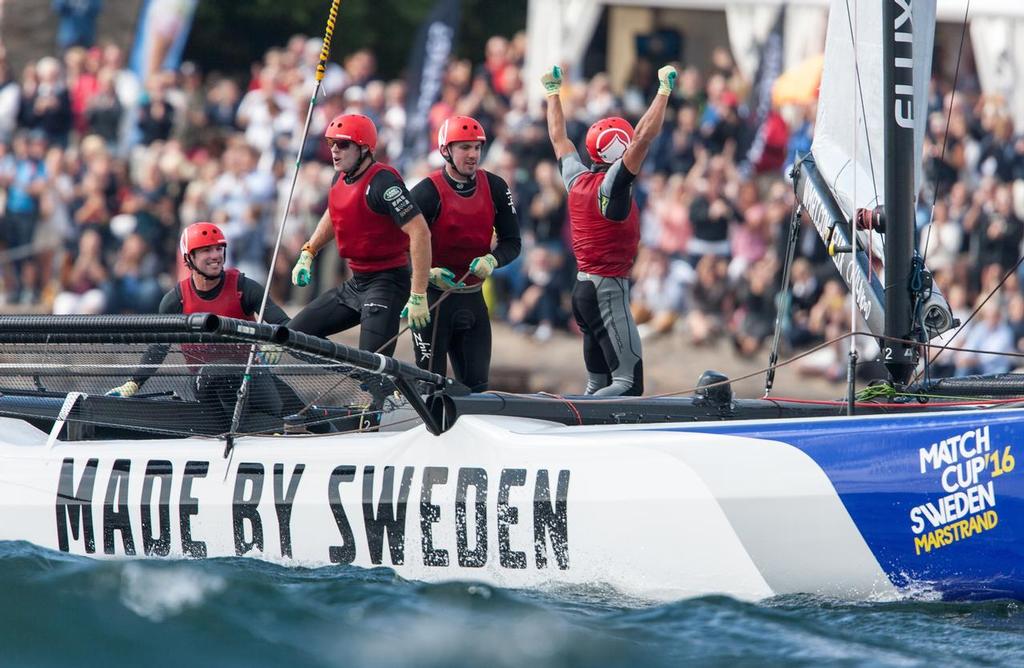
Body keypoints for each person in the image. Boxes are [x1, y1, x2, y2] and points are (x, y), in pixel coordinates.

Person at [541, 64, 676, 396]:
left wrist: (552, 93)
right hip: (607, 292)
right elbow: (644, 135)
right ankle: (572, 418)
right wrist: (664, 92)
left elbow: (559, 138)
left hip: (582, 290)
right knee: (629, 385)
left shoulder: (576, 178)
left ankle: (579, 426)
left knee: (598, 384)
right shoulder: (612, 186)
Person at [106, 222, 300, 432]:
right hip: (208, 383)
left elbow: (284, 323)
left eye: (219, 248)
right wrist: (134, 383)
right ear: (189, 258)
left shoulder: (244, 287)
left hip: (250, 376)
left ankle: (276, 429)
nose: (216, 255)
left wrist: (276, 340)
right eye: (207, 250)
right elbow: (159, 348)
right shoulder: (174, 301)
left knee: (299, 413)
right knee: (222, 370)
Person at [288, 113, 431, 356]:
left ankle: (381, 388)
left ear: (364, 148)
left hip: (387, 283)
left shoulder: (383, 182)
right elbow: (335, 213)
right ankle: (355, 374)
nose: (335, 150)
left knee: (371, 366)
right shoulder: (340, 176)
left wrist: (418, 294)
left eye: (343, 144)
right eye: (331, 143)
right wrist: (309, 251)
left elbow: (420, 233)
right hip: (357, 283)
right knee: (293, 336)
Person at [408, 115, 521, 391]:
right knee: (430, 390)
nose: (473, 155)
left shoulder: (495, 186)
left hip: (473, 303)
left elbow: (512, 242)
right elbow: (393, 244)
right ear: (446, 150)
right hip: (433, 305)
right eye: (464, 148)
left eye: (477, 148)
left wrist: (493, 260)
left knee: (477, 390)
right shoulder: (426, 191)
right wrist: (425, 275)